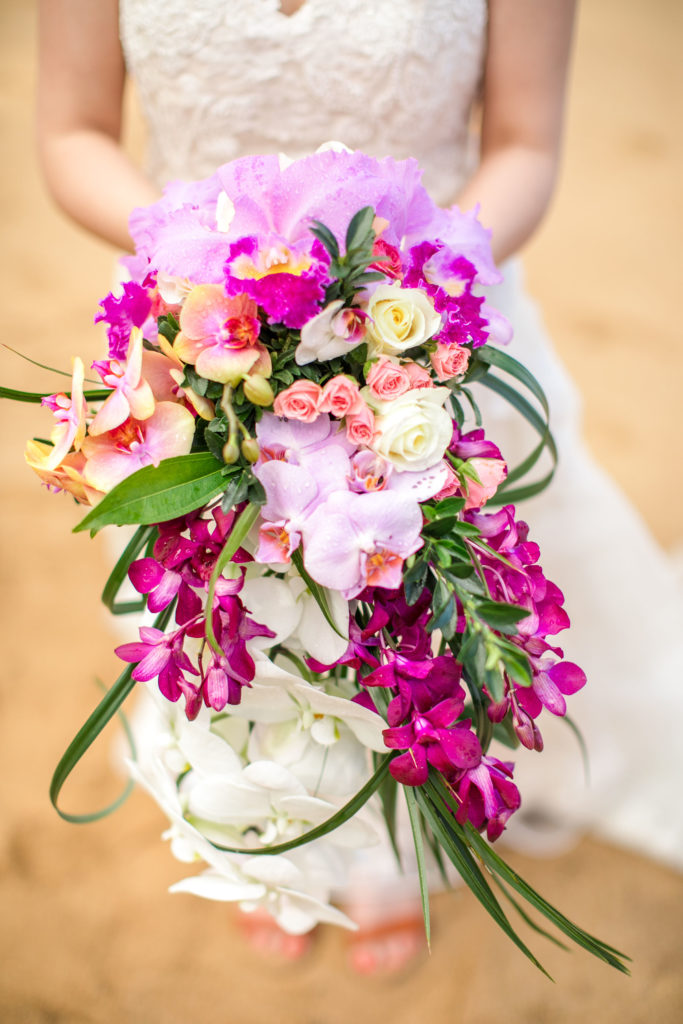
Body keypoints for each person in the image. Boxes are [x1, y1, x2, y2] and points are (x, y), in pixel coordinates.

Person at [36, 0, 683, 973]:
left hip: (432, 320)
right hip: (203, 320)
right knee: (239, 587)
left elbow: (522, 143)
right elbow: (71, 129)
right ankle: (270, 829)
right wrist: (197, 260)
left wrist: (396, 295)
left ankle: (398, 837)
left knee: (418, 598)